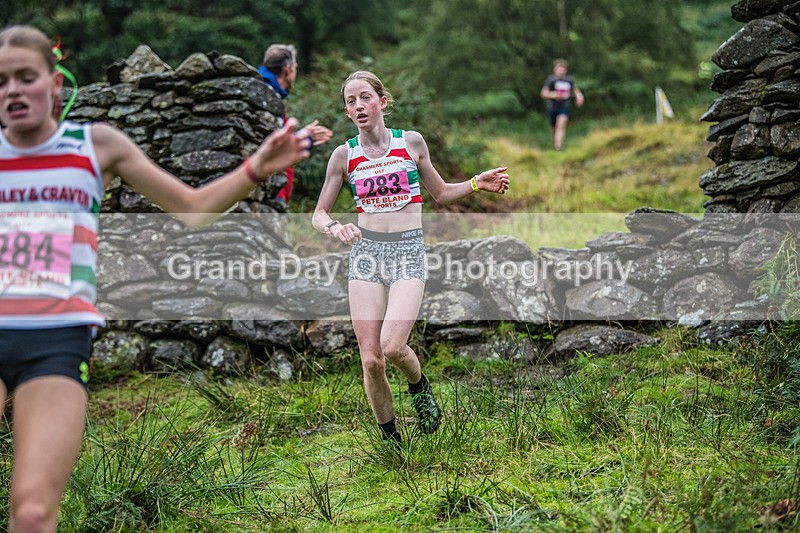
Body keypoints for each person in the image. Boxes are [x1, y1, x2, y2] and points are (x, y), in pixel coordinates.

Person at [0, 24, 312, 533]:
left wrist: (256, 167)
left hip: (56, 342)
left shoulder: (96, 145)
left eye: (25, 77)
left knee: (33, 513)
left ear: (55, 85)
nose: (13, 90)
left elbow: (191, 209)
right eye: (1, 80)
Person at [312, 71, 510, 444]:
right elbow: (318, 213)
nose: (358, 106)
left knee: (392, 346)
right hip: (367, 254)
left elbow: (441, 193)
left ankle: (419, 386)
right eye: (351, 102)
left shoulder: (411, 143)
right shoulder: (344, 155)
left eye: (365, 98)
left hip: (407, 250)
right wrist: (335, 227)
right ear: (347, 111)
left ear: (382, 102)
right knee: (370, 359)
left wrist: (474, 183)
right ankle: (392, 442)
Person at [258, 43, 332, 210]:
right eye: (295, 68)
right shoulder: (267, 97)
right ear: (288, 69)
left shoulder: (264, 92)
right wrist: (305, 136)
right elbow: (272, 147)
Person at [540, 58, 584, 151]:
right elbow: (543, 93)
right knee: (554, 128)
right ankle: (555, 144)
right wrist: (554, 95)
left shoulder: (569, 80)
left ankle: (558, 147)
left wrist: (579, 97)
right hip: (552, 107)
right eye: (559, 69)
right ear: (555, 70)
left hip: (564, 107)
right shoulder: (551, 80)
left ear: (565, 70)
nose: (561, 71)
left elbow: (576, 90)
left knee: (561, 124)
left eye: (562, 69)